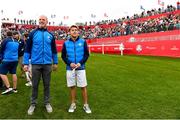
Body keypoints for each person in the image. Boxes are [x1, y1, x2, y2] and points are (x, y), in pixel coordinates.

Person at [23, 15, 58, 115]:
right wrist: (25, 63)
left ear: (47, 22)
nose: (41, 21)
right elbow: (27, 49)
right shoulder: (33, 33)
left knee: (47, 85)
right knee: (35, 85)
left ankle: (47, 103)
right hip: (36, 64)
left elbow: (54, 50)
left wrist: (55, 62)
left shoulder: (50, 35)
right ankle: (33, 104)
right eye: (40, 19)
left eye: (43, 20)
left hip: (47, 64)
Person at [61, 25, 92, 114]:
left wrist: (80, 63)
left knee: (83, 86)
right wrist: (69, 63)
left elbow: (86, 55)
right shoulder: (66, 43)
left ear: (78, 32)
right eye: (72, 30)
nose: (74, 31)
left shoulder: (83, 42)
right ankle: (73, 104)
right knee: (72, 87)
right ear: (69, 32)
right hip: (70, 68)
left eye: (76, 30)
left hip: (81, 68)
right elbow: (63, 56)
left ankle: (85, 104)